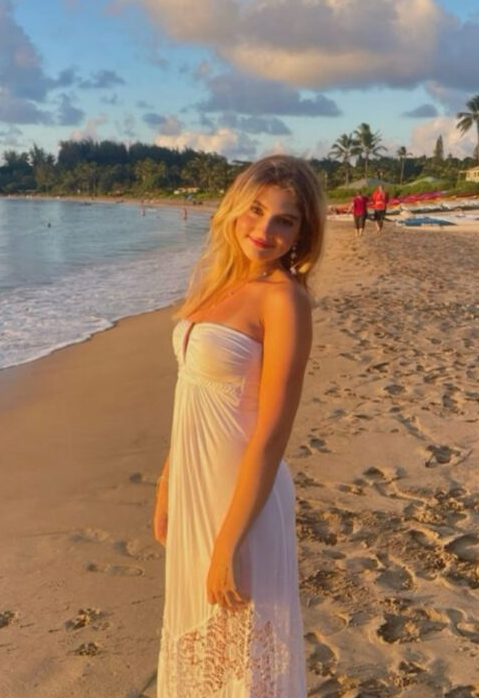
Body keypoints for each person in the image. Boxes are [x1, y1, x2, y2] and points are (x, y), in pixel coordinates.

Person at [153, 155, 326, 697]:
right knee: (206, 652)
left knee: (245, 663)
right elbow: (192, 393)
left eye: (285, 220)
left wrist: (229, 542)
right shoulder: (218, 284)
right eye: (256, 210)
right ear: (234, 208)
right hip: (195, 489)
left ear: (303, 232)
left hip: (242, 499)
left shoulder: (285, 300)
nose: (265, 230)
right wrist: (166, 482)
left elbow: (272, 433)